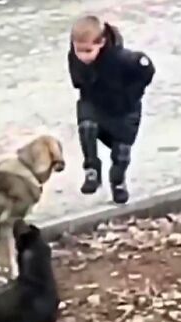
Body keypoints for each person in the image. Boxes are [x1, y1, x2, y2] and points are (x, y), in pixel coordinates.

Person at [68, 15, 155, 204]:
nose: (82, 56)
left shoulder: (124, 58)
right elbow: (78, 81)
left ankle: (118, 183)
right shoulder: (75, 57)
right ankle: (92, 170)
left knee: (121, 154)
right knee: (86, 125)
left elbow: (147, 70)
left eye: (88, 51)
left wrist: (132, 95)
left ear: (102, 43)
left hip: (124, 110)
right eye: (78, 50)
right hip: (96, 104)